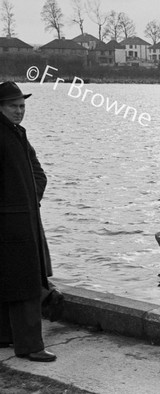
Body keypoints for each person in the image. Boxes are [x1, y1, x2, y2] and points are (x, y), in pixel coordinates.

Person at [0, 81, 59, 362]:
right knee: (23, 283)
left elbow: (38, 174)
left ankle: (5, 336)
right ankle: (29, 346)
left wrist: (29, 200)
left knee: (12, 279)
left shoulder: (17, 133)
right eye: (13, 106)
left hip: (23, 219)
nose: (19, 111)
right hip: (10, 223)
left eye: (22, 106)